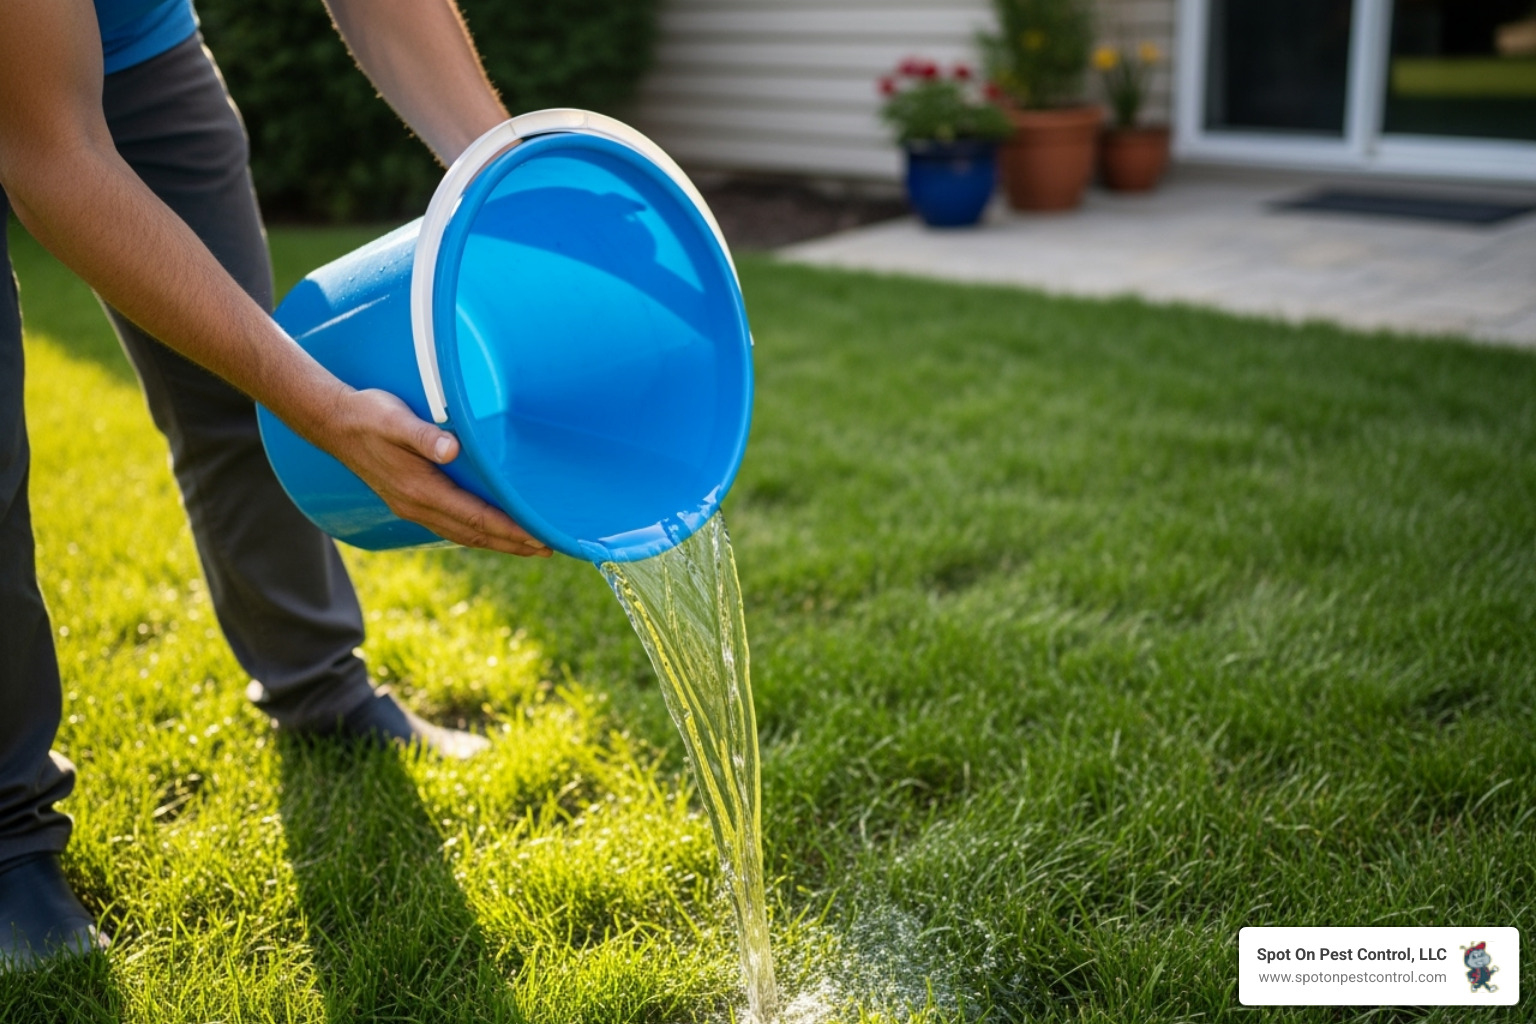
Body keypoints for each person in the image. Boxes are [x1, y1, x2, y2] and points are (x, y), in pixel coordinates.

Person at [0, 0, 551, 967]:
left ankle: (321, 686)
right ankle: (6, 833)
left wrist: (502, 179)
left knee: (238, 387)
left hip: (134, 41)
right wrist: (324, 408)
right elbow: (52, 156)